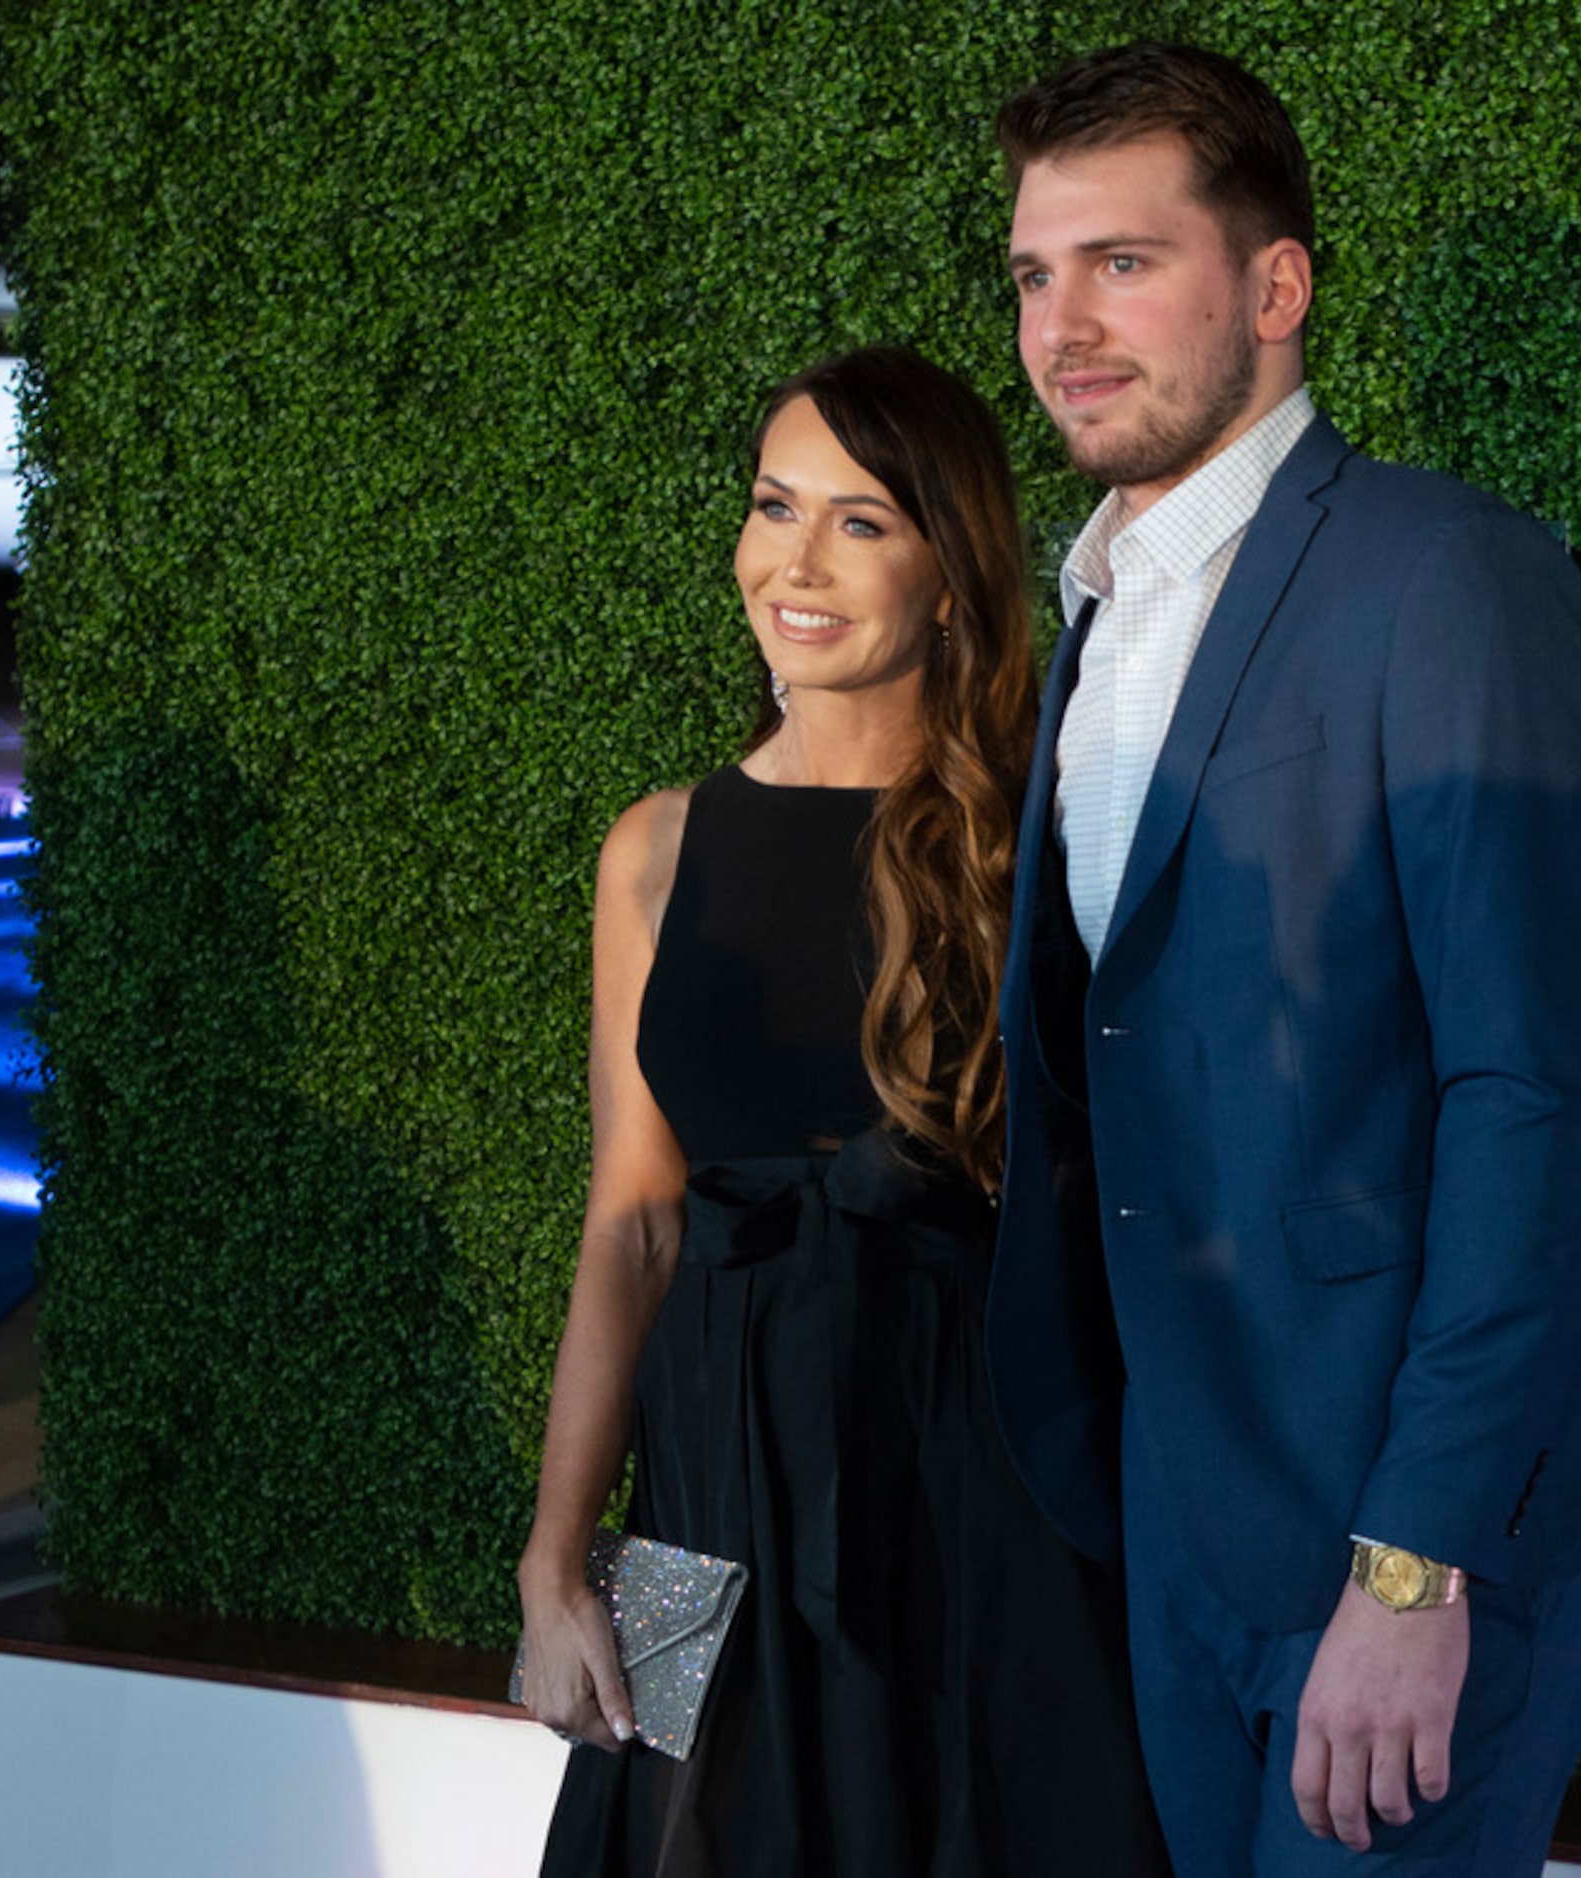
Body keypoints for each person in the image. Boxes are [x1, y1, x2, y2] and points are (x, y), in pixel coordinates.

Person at [984, 45, 1581, 1875]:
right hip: (1189, 1507)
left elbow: (1529, 1091)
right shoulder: (1086, 617)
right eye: (1031, 274)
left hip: (1415, 1526)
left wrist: (1414, 1557)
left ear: (1277, 287)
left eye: (1124, 263)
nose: (1064, 323)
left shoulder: (1448, 576)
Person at [518, 346, 1167, 1878]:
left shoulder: (1042, 841)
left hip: (970, 1482)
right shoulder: (654, 851)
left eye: (862, 522)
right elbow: (633, 1218)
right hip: (699, 1478)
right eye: (774, 505)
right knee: (675, 1839)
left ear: (953, 574)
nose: (795, 562)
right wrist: (558, 1558)